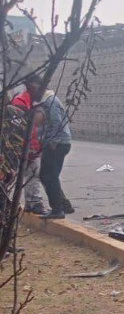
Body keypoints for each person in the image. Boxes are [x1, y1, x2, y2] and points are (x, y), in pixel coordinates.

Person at [24, 78, 73, 219]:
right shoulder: (46, 101)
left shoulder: (50, 101)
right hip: (56, 142)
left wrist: (51, 143)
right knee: (48, 176)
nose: (32, 92)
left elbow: (57, 123)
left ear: (41, 86)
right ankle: (61, 205)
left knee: (49, 176)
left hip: (56, 143)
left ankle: (58, 210)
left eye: (33, 89)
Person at [10, 87, 46, 214]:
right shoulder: (20, 102)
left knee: (33, 173)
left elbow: (36, 128)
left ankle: (32, 203)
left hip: (32, 146)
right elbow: (15, 129)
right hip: (21, 147)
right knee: (16, 175)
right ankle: (32, 202)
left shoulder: (33, 103)